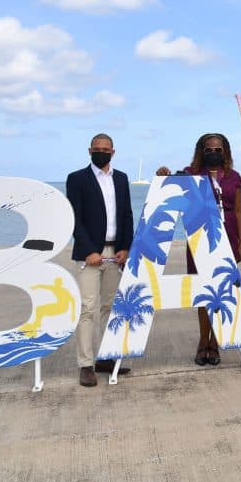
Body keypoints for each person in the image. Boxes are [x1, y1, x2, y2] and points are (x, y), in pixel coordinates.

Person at [157, 133, 241, 366]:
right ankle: (202, 341)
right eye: (209, 149)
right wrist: (163, 176)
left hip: (228, 235)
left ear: (225, 151)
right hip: (198, 236)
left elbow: (238, 210)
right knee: (202, 292)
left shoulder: (234, 177)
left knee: (221, 292)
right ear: (201, 151)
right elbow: (170, 191)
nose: (214, 153)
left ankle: (215, 343)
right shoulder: (190, 175)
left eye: (218, 149)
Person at [65, 133, 134, 387]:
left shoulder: (122, 178)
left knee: (110, 309)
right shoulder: (77, 179)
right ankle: (86, 364)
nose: (101, 152)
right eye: (97, 148)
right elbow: (74, 218)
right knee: (87, 310)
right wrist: (87, 250)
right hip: (90, 256)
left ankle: (106, 358)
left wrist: (126, 247)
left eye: (106, 149)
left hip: (115, 256)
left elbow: (127, 215)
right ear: (89, 151)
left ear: (113, 152)